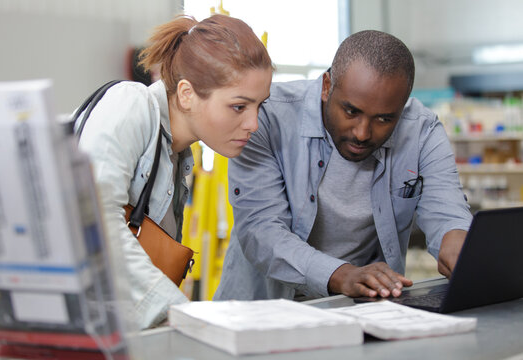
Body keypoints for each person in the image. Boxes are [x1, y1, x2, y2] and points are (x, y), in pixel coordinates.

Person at [214, 30, 472, 302]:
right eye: (351, 111)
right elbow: (261, 230)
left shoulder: (422, 130)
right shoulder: (265, 118)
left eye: (384, 119)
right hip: (261, 311)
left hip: (359, 308)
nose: (362, 132)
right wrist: (340, 274)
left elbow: (448, 210)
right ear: (327, 86)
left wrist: (457, 241)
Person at [76, 14, 272, 328]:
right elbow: (92, 217)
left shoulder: (179, 153)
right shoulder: (131, 104)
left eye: (260, 105)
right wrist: (182, 316)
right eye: (239, 106)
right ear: (186, 94)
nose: (253, 124)